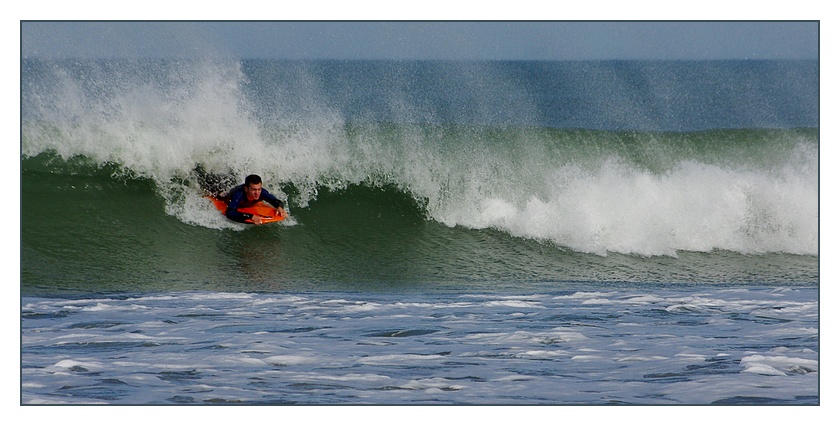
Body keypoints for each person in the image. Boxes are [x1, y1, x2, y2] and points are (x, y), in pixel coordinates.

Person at [222, 174, 286, 225]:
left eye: (259, 189)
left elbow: (274, 200)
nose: (257, 193)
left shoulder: (262, 192)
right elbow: (230, 212)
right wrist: (250, 216)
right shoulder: (239, 195)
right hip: (224, 193)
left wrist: (279, 207)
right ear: (246, 189)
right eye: (254, 189)